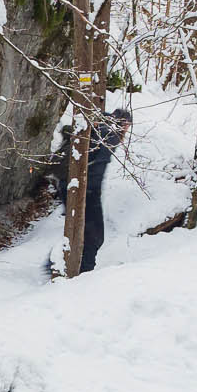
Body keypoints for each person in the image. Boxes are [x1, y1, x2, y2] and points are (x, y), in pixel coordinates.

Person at [78, 107, 132, 275]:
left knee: (84, 232)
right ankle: (83, 273)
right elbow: (98, 166)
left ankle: (71, 266)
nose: (127, 130)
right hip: (87, 189)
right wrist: (92, 192)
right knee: (94, 235)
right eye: (127, 126)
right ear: (124, 123)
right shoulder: (111, 134)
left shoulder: (99, 125)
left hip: (76, 185)